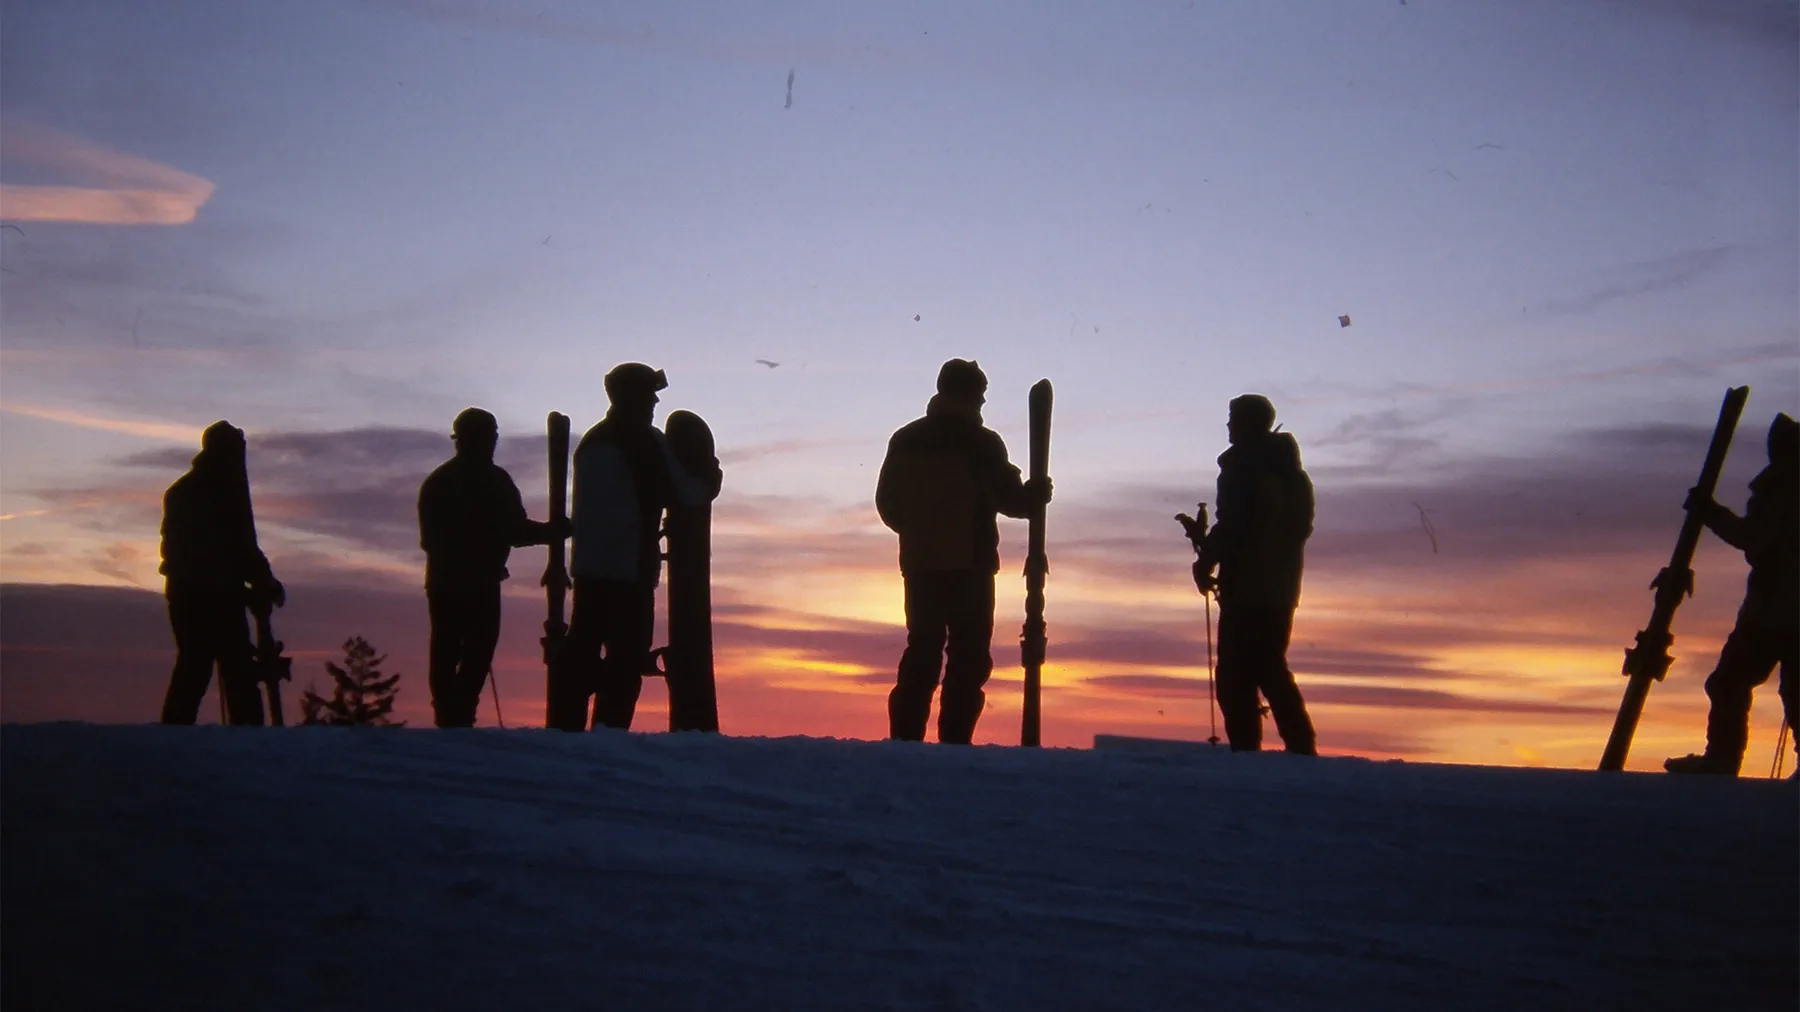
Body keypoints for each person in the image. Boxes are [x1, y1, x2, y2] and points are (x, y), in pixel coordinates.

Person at [875, 359, 1051, 744]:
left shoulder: (905, 440)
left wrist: (921, 532)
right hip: (970, 566)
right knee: (967, 660)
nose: (982, 406)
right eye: (981, 399)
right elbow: (1010, 499)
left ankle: (905, 741)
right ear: (971, 397)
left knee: (921, 651)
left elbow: (887, 505)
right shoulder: (981, 443)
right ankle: (954, 743)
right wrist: (1035, 496)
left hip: (920, 567)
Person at [548, 363, 721, 731]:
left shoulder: (591, 442)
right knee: (624, 666)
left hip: (589, 568)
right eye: (649, 393)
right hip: (630, 572)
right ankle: (608, 740)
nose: (655, 401)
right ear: (634, 397)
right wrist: (710, 474)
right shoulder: (644, 440)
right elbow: (686, 494)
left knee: (582, 658)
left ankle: (567, 737)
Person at [1665, 413, 1799, 776]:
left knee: (1730, 682)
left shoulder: (1782, 489)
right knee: (1790, 690)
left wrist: (1709, 512)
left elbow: (1753, 538)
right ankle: (1723, 758)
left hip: (1773, 612)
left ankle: (1722, 758)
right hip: (1778, 608)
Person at [418, 407, 566, 728]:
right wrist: (554, 532)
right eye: (491, 436)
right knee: (475, 651)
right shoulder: (492, 480)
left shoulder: (438, 482)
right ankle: (459, 713)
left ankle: (449, 713)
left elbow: (429, 541)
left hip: (443, 582)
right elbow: (516, 531)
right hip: (478, 583)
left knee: (446, 648)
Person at [1193, 394, 1317, 754]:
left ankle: (1249, 754)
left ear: (1248, 424)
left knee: (1236, 676)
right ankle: (1299, 748)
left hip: (1247, 588)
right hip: (1280, 589)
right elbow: (1295, 530)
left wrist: (1206, 561)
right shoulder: (1293, 476)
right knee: (1269, 666)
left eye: (1233, 419)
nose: (1229, 426)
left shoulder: (1244, 469)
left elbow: (1234, 524)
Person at [159, 420, 285, 725]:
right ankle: (175, 734)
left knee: (237, 670)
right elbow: (202, 552)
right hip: (195, 595)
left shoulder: (229, 491)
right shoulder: (190, 493)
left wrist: (264, 581)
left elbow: (245, 544)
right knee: (197, 665)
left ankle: (248, 738)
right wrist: (245, 587)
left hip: (222, 595)